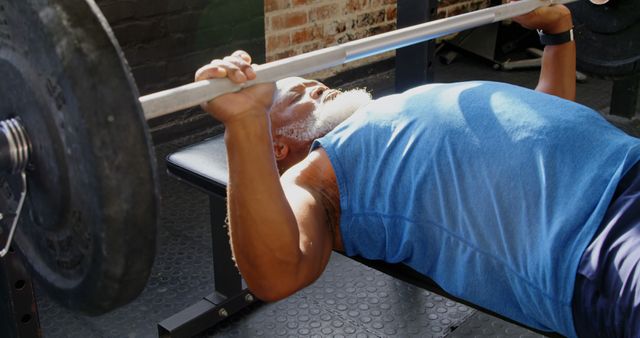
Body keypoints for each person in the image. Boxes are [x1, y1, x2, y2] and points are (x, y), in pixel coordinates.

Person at [194, 4, 639, 338]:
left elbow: (549, 114)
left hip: (624, 165)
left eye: (317, 84)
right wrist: (244, 122)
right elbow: (276, 272)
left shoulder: (385, 112)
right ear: (277, 143)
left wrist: (556, 30)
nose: (317, 85)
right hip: (593, 238)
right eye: (297, 94)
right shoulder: (314, 175)